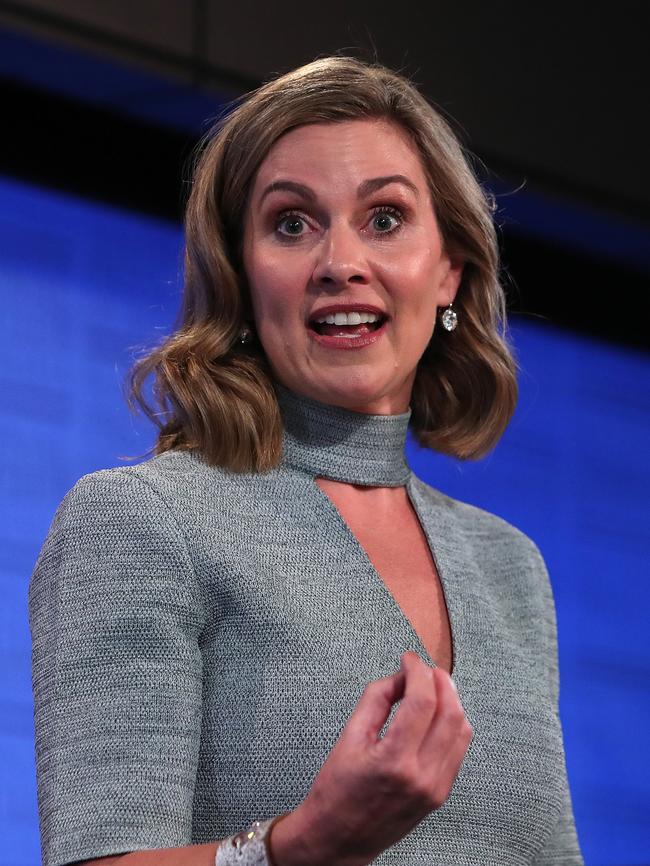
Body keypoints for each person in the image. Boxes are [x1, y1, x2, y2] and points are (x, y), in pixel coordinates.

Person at [28, 55, 584, 866]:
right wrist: (305, 844)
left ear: (449, 273)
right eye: (292, 223)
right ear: (239, 278)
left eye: (385, 218)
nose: (340, 262)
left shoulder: (510, 567)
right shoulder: (144, 521)